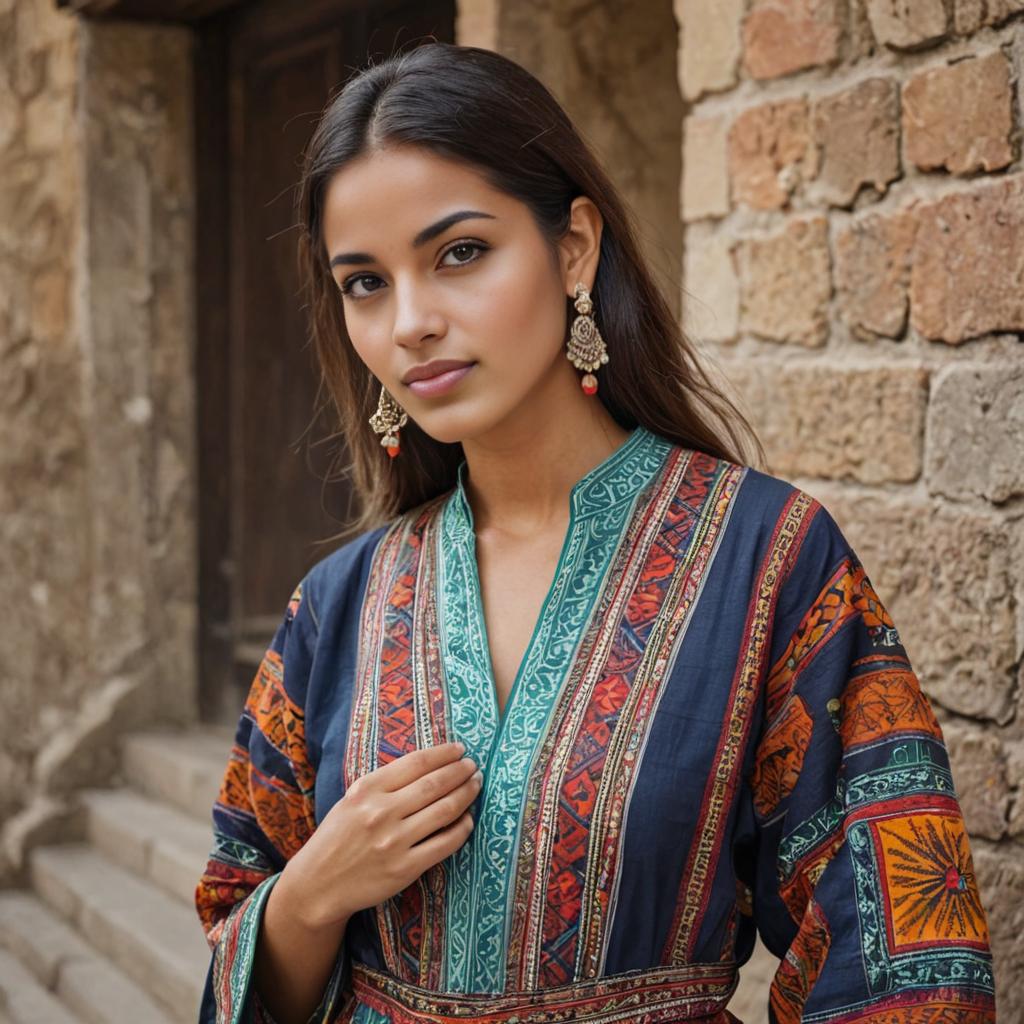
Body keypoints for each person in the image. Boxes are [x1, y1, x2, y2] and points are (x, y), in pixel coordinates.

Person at [193, 41, 996, 1024]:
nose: (409, 322)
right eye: (365, 282)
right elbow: (237, 934)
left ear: (572, 245)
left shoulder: (768, 559)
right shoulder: (338, 605)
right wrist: (314, 891)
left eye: (459, 253)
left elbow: (905, 958)